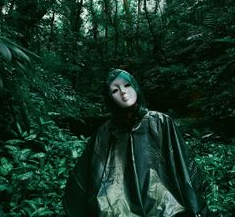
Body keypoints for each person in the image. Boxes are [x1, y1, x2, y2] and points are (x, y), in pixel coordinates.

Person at [63, 69, 209, 216]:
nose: (123, 92)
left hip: (163, 204)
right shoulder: (106, 132)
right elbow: (92, 174)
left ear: (135, 87)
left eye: (127, 85)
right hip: (118, 206)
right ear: (109, 98)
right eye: (115, 90)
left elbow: (181, 166)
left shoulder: (161, 122)